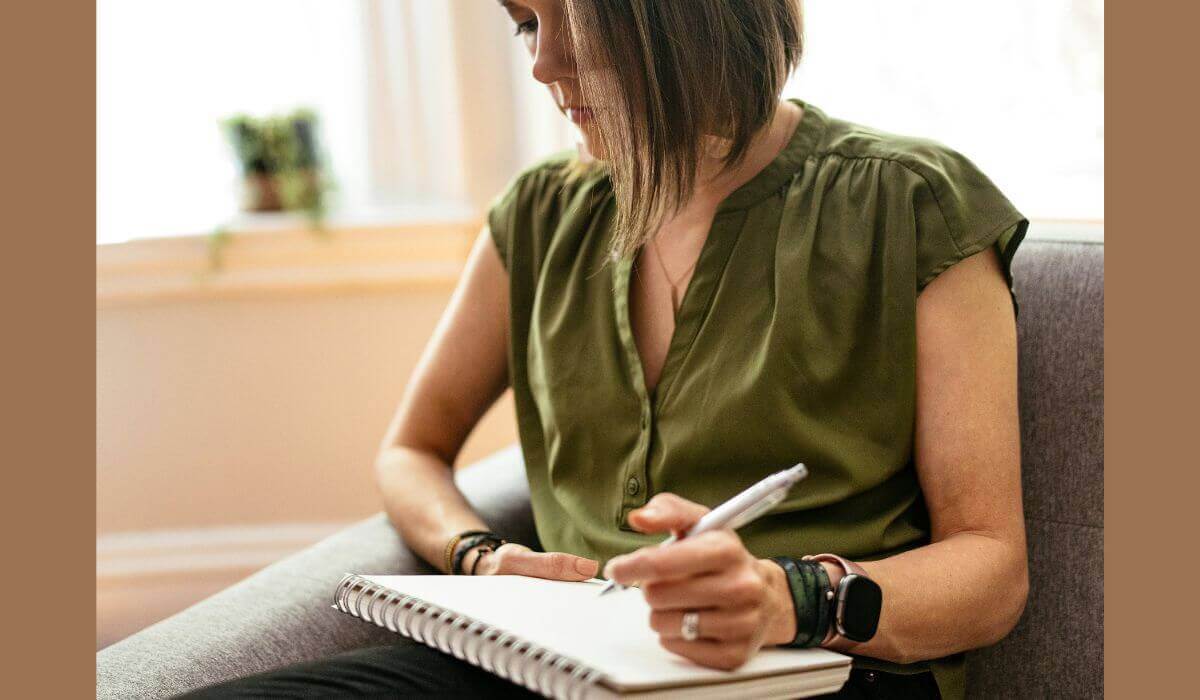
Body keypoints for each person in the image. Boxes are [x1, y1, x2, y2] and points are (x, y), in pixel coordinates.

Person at [182, 0, 1028, 697]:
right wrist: (482, 560)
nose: (544, 65)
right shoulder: (542, 214)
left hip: (810, 678)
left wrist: (786, 598)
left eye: (574, 20)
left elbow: (993, 569)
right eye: (524, 24)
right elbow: (412, 451)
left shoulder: (911, 203)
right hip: (554, 673)